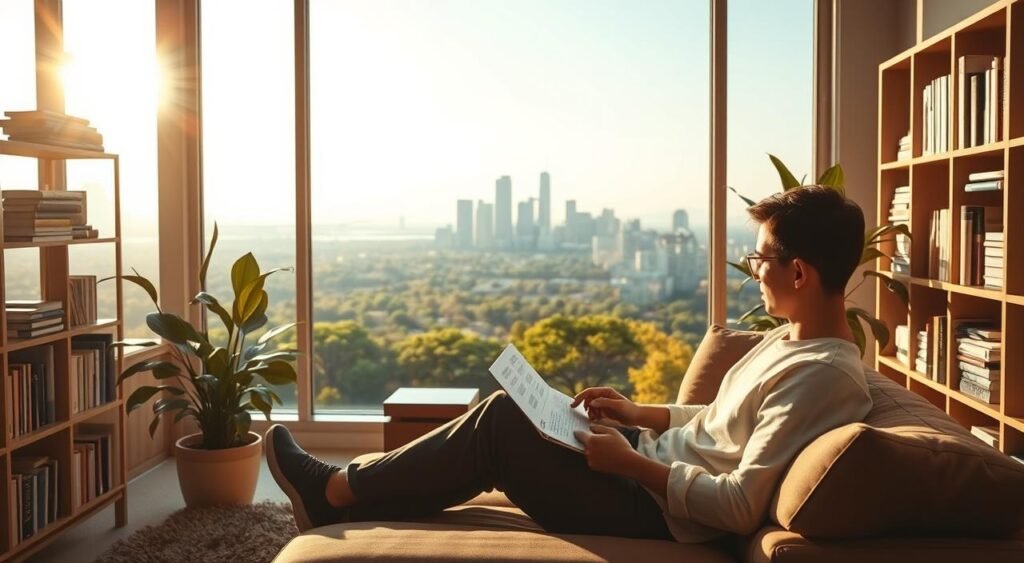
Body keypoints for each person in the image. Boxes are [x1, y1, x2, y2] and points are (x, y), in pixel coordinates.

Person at [265, 185, 873, 542]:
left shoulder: (824, 376)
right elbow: (722, 420)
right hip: (650, 467)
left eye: (761, 257)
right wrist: (640, 414)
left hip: (655, 511)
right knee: (522, 411)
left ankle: (337, 490)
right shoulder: (789, 340)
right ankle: (349, 495)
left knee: (502, 424)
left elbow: (740, 503)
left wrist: (633, 464)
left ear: (799, 271)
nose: (752, 268)